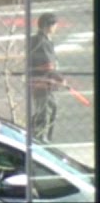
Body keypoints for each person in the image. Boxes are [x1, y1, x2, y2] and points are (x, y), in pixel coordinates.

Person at [28, 12, 64, 141]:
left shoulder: (42, 40)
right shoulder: (40, 42)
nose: (55, 28)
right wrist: (60, 79)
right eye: (54, 25)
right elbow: (47, 65)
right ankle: (40, 140)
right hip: (43, 83)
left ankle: (43, 138)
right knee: (45, 112)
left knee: (50, 109)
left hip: (46, 82)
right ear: (47, 26)